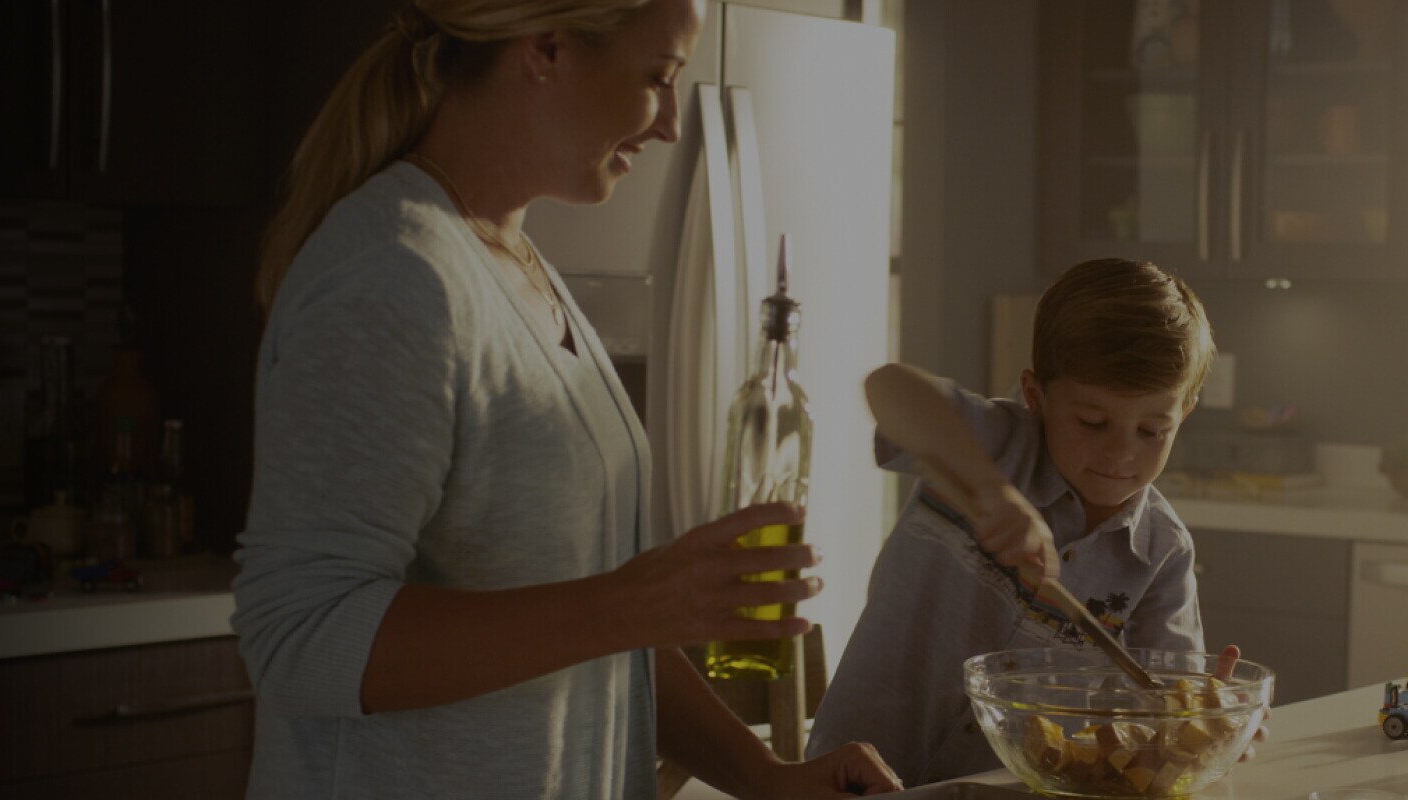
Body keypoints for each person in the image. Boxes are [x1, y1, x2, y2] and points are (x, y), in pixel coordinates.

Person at [229, 1, 904, 796]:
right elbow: (304, 638)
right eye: (659, 78)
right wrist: (627, 602)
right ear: (545, 49)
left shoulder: (510, 259)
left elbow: (602, 628)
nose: (672, 127)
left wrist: (763, 776)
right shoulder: (393, 277)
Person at [808, 258, 1266, 786]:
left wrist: (1212, 723)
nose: (1120, 453)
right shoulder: (991, 446)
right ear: (1036, 396)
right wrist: (990, 490)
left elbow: (1160, 711)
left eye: (1151, 430)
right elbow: (888, 387)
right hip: (851, 777)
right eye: (1092, 422)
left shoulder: (1162, 554)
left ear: (1184, 413)